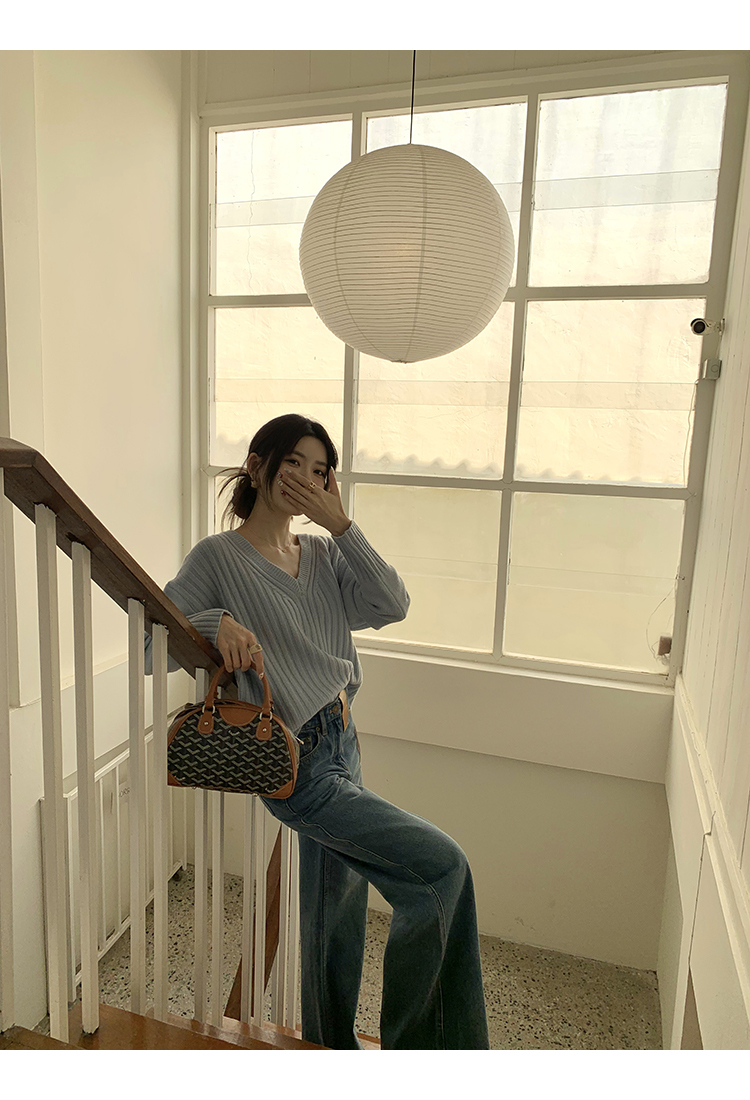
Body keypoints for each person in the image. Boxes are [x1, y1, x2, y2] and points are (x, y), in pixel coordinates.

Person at [146, 413, 489, 1050]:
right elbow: (149, 644)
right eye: (294, 463)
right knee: (442, 870)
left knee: (335, 914)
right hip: (298, 761)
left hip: (344, 739)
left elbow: (392, 604)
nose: (306, 479)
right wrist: (214, 623)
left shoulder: (326, 554)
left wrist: (342, 526)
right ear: (258, 466)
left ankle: (331, 1050)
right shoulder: (218, 557)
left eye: (320, 470)